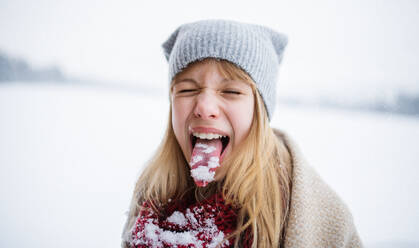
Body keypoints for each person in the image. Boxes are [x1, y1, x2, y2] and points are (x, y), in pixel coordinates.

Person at [121, 19, 363, 248]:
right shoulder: (151, 195)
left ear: (259, 111)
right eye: (187, 89)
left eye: (231, 92)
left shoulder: (317, 214)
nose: (204, 107)